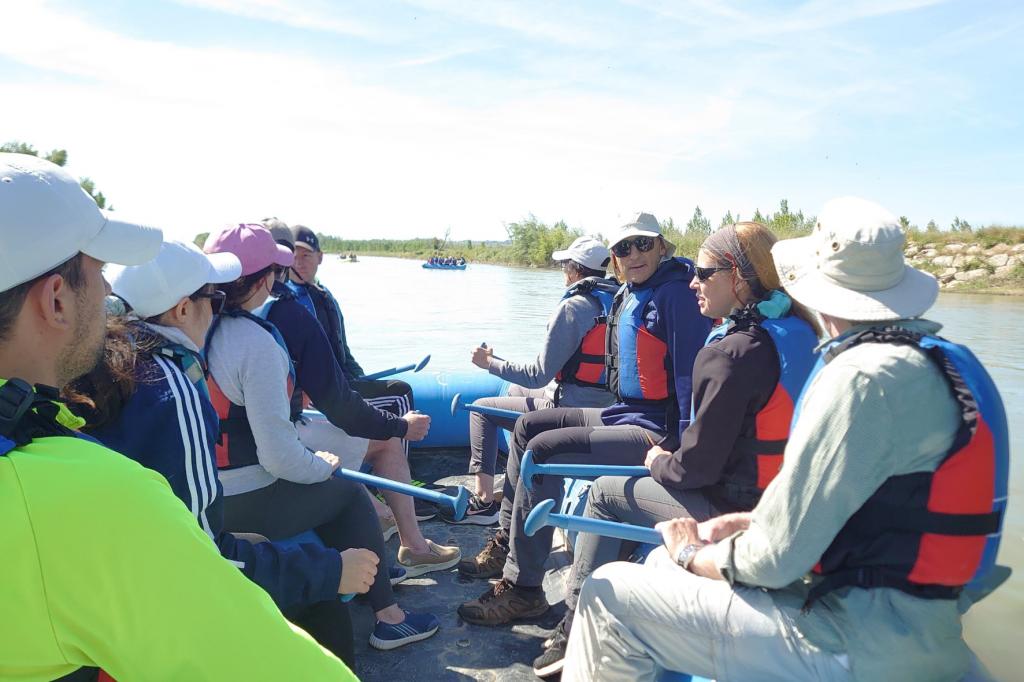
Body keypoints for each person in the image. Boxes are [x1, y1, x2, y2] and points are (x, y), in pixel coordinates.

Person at [561, 197, 1009, 682]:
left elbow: (774, 564)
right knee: (656, 563)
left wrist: (693, 552)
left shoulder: (861, 377)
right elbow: (890, 511)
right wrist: (755, 521)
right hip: (923, 624)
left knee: (609, 593)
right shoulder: (947, 360)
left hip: (858, 643)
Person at [0, 153, 355, 680]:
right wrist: (328, 571)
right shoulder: (94, 494)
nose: (107, 295)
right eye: (98, 274)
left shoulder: (42, 420)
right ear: (56, 301)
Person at [65, 240, 378, 668]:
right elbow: (200, 558)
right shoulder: (173, 393)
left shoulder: (97, 365)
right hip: (159, 602)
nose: (219, 310)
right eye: (213, 299)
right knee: (325, 605)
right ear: (181, 310)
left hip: (106, 583)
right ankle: (389, 614)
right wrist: (328, 570)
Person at [532, 221, 821, 677]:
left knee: (605, 495)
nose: (692, 282)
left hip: (736, 510)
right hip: (783, 502)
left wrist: (659, 461)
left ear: (737, 279)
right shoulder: (802, 330)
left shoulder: (731, 353)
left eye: (704, 274)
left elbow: (696, 471)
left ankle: (574, 625)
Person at [202, 223, 448, 650]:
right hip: (243, 500)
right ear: (265, 279)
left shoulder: (193, 327)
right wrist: (323, 467)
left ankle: (376, 564)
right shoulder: (255, 342)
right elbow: (278, 457)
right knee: (345, 493)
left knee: (331, 484)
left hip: (209, 493)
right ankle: (390, 617)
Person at [457, 212, 711, 625]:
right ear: (613, 259)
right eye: (623, 248)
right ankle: (510, 546)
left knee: (543, 450)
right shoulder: (628, 293)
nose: (634, 254)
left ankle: (523, 589)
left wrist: (677, 448)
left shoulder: (675, 296)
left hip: (654, 431)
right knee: (526, 427)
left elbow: (689, 380)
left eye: (643, 244)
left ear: (662, 247)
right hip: (624, 413)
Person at [262, 222, 452, 560]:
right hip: (279, 443)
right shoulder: (288, 311)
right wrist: (400, 426)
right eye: (293, 256)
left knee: (379, 413)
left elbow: (335, 362)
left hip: (270, 433)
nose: (298, 263)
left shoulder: (224, 312)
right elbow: (338, 406)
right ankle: (409, 543)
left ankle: (386, 510)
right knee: (389, 433)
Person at [444, 237, 617, 526]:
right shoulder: (615, 301)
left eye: (564, 264)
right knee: (514, 389)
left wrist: (490, 364)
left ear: (575, 270)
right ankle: (517, 475)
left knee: (480, 409)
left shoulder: (573, 308)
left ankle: (483, 503)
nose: (562, 269)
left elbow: (538, 374)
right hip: (595, 403)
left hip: (564, 407)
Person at [287, 225, 418, 459]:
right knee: (400, 394)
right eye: (293, 257)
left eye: (306, 255)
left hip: (340, 383)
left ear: (319, 257)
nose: (299, 263)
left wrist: (360, 378)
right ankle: (399, 464)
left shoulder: (324, 295)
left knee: (384, 393)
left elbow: (343, 351)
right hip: (321, 393)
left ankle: (386, 461)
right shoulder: (288, 302)